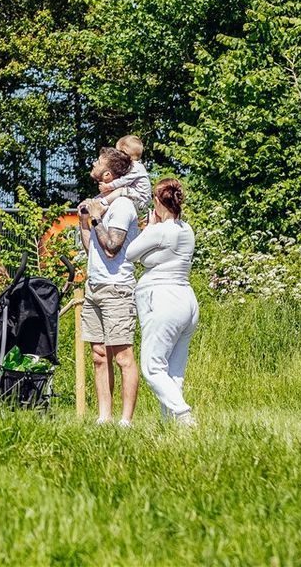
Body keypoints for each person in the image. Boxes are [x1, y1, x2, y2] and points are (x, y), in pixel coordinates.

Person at [78, 147, 141, 427]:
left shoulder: (123, 206)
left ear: (107, 173)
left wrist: (96, 218)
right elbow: (91, 247)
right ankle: (104, 417)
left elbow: (113, 248)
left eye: (97, 162)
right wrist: (84, 221)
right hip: (95, 286)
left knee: (122, 357)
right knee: (99, 354)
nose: (92, 163)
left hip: (117, 288)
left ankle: (125, 421)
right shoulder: (100, 203)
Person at [128, 177, 198, 427]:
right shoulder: (186, 229)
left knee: (152, 367)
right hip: (187, 300)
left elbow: (131, 253)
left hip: (162, 298)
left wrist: (149, 228)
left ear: (158, 201)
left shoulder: (158, 230)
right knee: (174, 371)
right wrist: (151, 256)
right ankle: (171, 425)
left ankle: (183, 414)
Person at [102, 134, 153, 209]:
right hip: (137, 197)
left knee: (120, 190)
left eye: (118, 153)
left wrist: (109, 186)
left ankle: (102, 203)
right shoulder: (134, 166)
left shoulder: (135, 167)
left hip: (141, 200)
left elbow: (124, 180)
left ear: (124, 152)